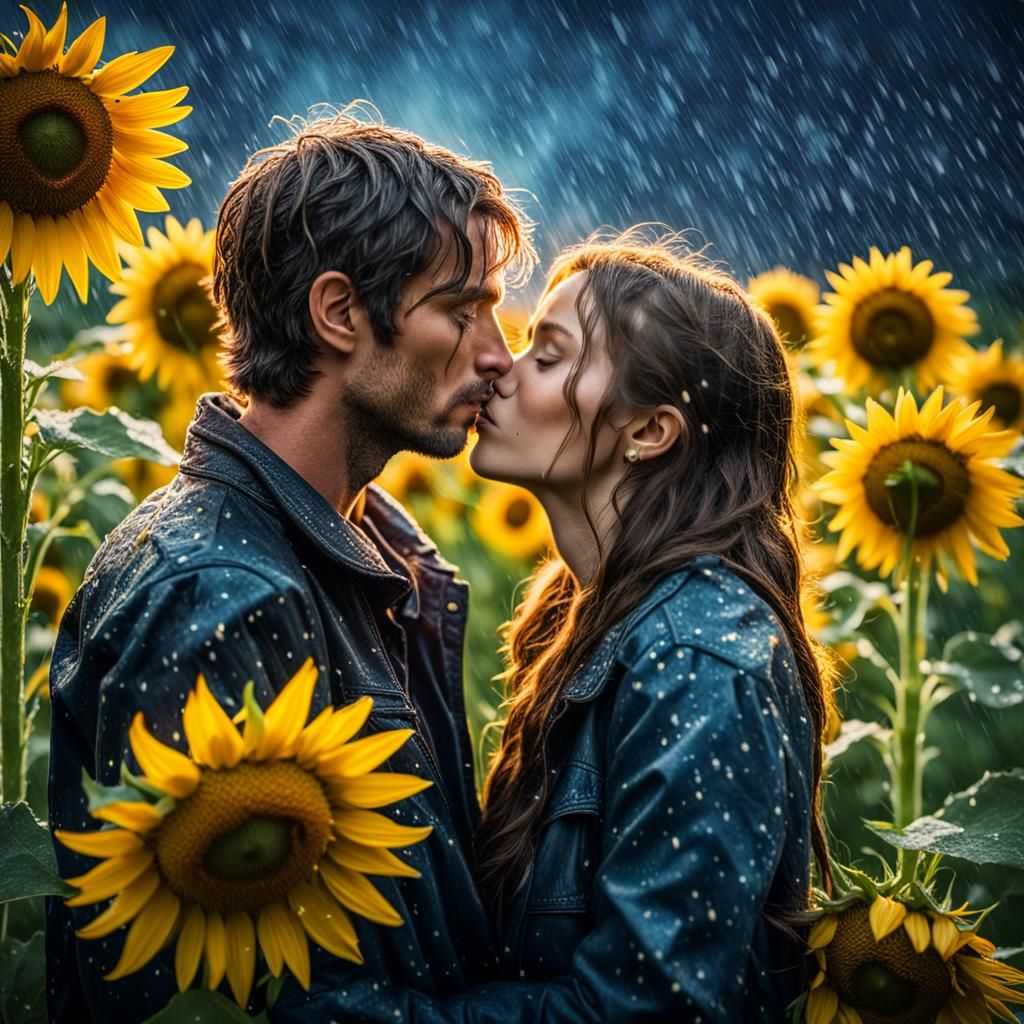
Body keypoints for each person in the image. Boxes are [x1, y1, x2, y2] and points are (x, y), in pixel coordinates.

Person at [45, 105, 535, 1022]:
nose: (498, 356)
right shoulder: (218, 593)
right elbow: (213, 1000)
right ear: (340, 312)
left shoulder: (363, 558)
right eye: (461, 311)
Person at [271, 232, 838, 1022]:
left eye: (548, 353)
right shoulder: (581, 617)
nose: (501, 366)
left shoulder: (697, 659)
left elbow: (646, 1011)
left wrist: (350, 1015)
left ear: (650, 432)